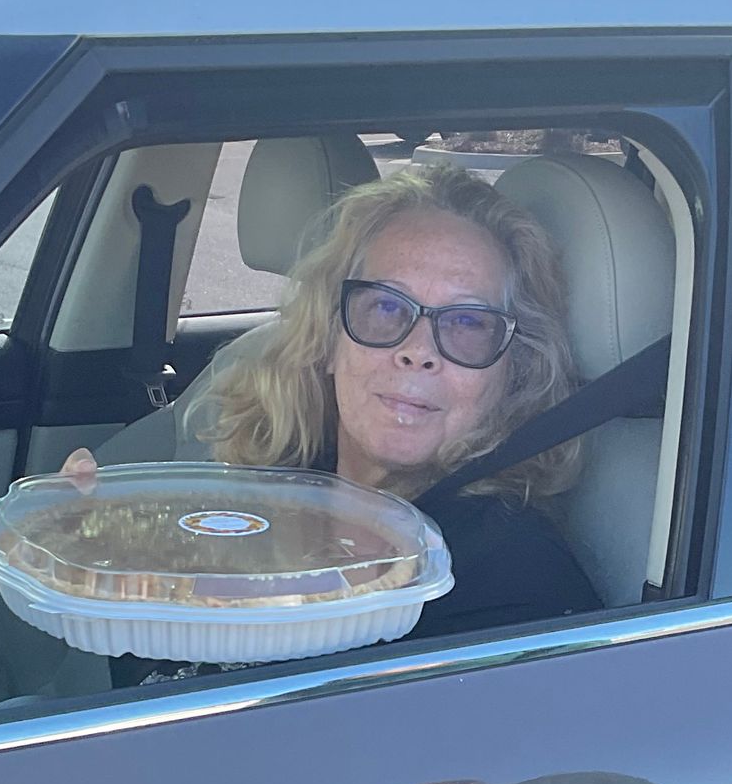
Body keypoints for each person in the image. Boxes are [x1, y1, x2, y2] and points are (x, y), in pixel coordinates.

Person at [62, 160, 599, 641]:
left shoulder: (513, 588)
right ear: (326, 339)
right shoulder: (277, 481)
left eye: (467, 323)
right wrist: (102, 558)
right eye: (386, 309)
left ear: (513, 372)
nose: (417, 352)